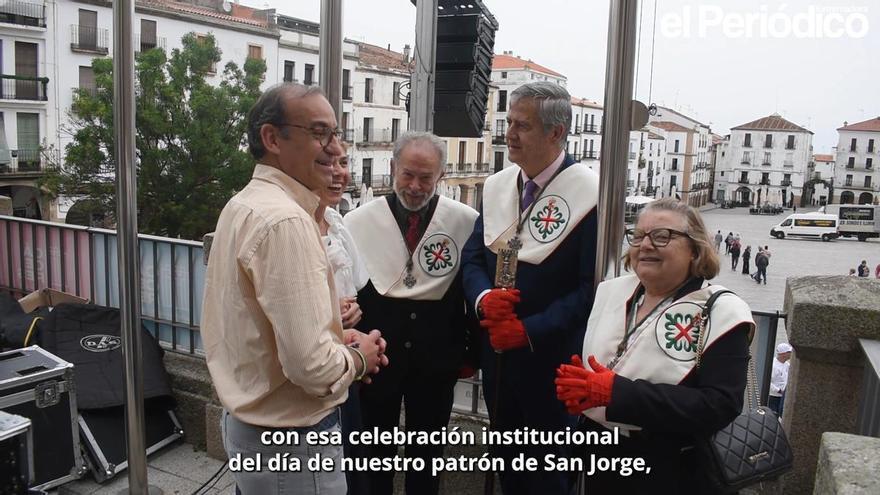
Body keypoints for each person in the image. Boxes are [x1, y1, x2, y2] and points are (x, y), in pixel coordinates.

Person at [201, 83, 388, 495]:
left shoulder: (244, 204)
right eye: (320, 132)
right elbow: (311, 368)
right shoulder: (287, 221)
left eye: (336, 133)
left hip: (253, 430)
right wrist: (359, 357)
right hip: (294, 445)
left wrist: (336, 338)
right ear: (272, 139)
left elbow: (260, 330)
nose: (333, 146)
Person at [556, 198, 754, 494]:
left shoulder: (722, 311)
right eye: (638, 236)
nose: (645, 245)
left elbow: (719, 406)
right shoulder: (612, 292)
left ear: (695, 249)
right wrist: (580, 386)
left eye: (662, 236)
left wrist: (617, 392)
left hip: (671, 470)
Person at [462, 81, 600, 495]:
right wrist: (485, 299)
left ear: (556, 133)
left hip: (553, 365)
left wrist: (527, 330)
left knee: (546, 477)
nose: (510, 134)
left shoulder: (591, 195)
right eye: (508, 122)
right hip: (498, 361)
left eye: (522, 125)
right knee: (507, 469)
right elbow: (473, 258)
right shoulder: (499, 185)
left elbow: (591, 289)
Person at [344, 131, 479, 495]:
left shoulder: (465, 221)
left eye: (426, 177)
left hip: (437, 360)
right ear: (393, 170)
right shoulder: (357, 222)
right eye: (408, 175)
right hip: (377, 359)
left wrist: (471, 353)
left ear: (442, 176)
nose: (416, 186)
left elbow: (473, 289)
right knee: (374, 453)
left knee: (429, 453)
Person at [315, 147, 371, 495]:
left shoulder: (337, 222)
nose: (339, 173)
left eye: (344, 163)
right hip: (315, 373)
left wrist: (352, 313)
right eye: (326, 164)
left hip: (342, 367)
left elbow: (356, 292)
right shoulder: (292, 228)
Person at [769, 343, 793, 416]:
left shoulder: (787, 365)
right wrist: (778, 390)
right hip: (773, 397)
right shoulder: (773, 365)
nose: (791, 354)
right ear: (783, 354)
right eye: (789, 352)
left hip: (783, 396)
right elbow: (768, 382)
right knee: (772, 416)